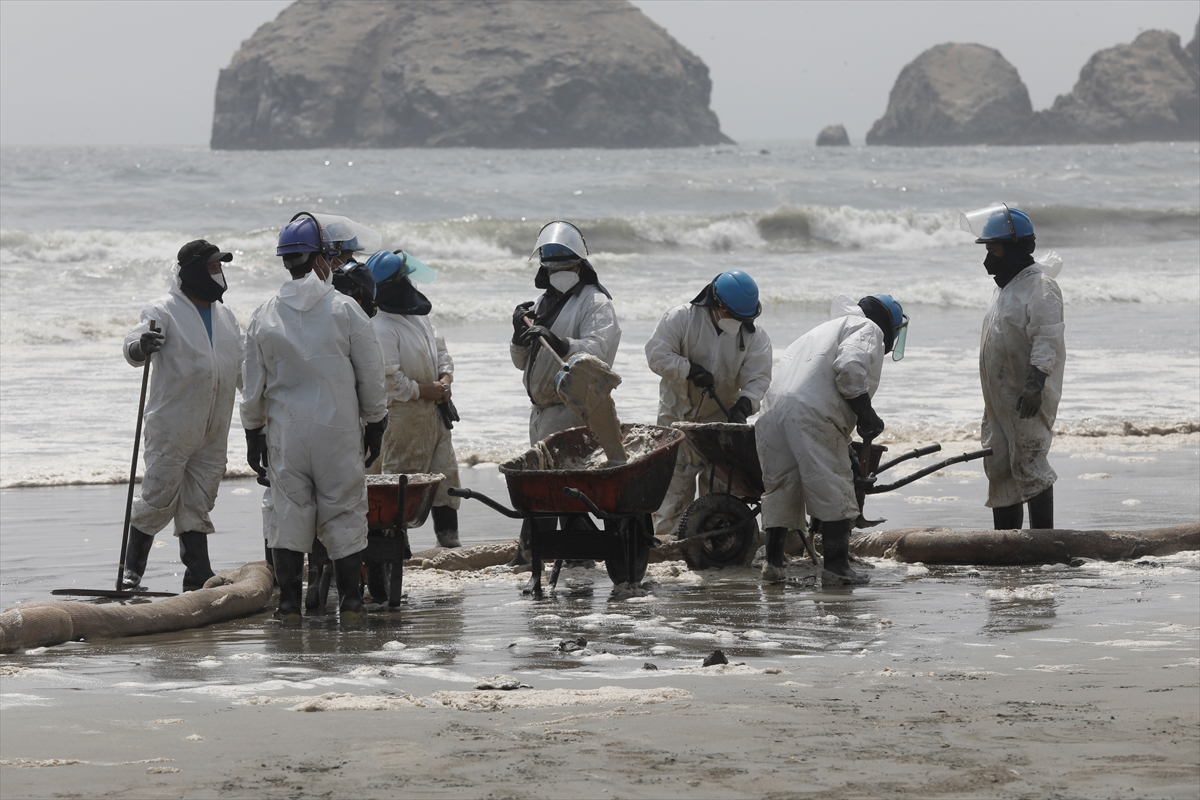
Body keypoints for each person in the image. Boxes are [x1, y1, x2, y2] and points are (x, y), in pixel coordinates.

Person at [242, 212, 388, 624]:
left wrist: (253, 433)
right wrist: (376, 422)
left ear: (285, 260)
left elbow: (251, 385)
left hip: (286, 434)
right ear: (322, 258)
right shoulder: (344, 310)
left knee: (288, 514)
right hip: (337, 431)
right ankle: (353, 605)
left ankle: (288, 606)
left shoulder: (264, 315)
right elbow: (371, 374)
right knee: (343, 512)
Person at [755, 294, 908, 586]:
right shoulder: (867, 328)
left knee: (780, 489)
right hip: (812, 413)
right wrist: (866, 414)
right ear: (888, 324)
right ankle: (837, 568)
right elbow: (850, 367)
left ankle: (773, 565)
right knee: (834, 485)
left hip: (771, 413)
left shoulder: (818, 332)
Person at [120, 240, 244, 592]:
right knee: (158, 494)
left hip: (214, 425)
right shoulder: (164, 309)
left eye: (220, 267)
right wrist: (140, 345)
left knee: (200, 498)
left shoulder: (226, 317)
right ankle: (131, 571)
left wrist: (265, 406)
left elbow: (244, 368)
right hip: (172, 424)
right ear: (191, 272)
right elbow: (134, 343)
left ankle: (198, 574)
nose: (218, 274)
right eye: (211, 267)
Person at [509, 220, 621, 564]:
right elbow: (521, 362)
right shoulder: (543, 304)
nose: (559, 272)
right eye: (552, 267)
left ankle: (570, 557)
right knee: (544, 488)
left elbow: (599, 352)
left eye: (566, 266)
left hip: (572, 409)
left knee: (567, 490)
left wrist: (563, 342)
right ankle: (539, 553)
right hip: (541, 412)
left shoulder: (595, 303)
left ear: (579, 265)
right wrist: (517, 335)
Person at [645, 271, 772, 538]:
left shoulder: (755, 338)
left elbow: (758, 380)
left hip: (719, 424)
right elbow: (656, 354)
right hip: (675, 418)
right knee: (674, 489)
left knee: (717, 489)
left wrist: (744, 406)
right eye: (733, 316)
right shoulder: (681, 319)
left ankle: (712, 545)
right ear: (716, 305)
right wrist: (688, 369)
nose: (737, 323)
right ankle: (669, 547)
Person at [961, 204, 1065, 530]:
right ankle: (1005, 544)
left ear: (1016, 249)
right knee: (999, 465)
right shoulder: (1003, 288)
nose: (989, 258)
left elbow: (1048, 338)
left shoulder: (1040, 287)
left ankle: (1042, 543)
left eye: (994, 249)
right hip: (998, 398)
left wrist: (1035, 383)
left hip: (1026, 395)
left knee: (1030, 461)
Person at [366, 249, 463, 549]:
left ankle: (449, 545)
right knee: (400, 486)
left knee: (446, 482)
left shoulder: (419, 317)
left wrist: (445, 381)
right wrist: (424, 390)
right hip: (403, 420)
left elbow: (442, 353)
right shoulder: (382, 326)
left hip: (436, 414)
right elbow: (390, 381)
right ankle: (397, 553)